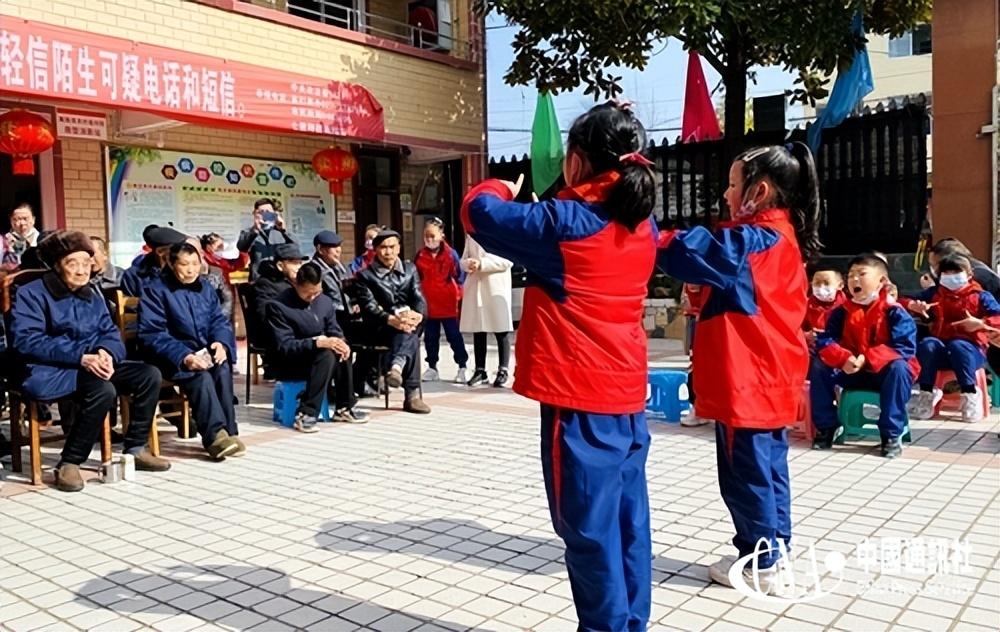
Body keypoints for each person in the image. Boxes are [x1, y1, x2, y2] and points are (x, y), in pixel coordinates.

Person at [461, 101, 658, 630]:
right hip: (624, 395)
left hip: (580, 399)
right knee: (627, 524)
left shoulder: (567, 223)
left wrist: (504, 185)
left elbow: (477, 213)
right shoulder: (642, 224)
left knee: (588, 531)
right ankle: (628, 622)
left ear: (575, 162)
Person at [658, 142, 821, 595]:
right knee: (768, 468)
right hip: (771, 375)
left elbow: (685, 249)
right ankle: (774, 551)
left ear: (759, 191)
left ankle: (761, 560)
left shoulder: (751, 242)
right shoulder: (782, 237)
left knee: (745, 473)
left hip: (747, 377)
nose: (727, 195)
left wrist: (635, 226)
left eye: (733, 185)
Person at [10, 232, 169, 492]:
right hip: (49, 369)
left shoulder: (91, 294)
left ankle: (135, 449)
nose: (83, 270)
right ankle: (70, 462)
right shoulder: (32, 293)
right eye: (74, 263)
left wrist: (107, 351)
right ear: (57, 264)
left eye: (87, 262)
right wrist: (82, 356)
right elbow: (28, 341)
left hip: (90, 362)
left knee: (148, 374)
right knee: (102, 389)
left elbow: (109, 332)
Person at [139, 242, 244, 459]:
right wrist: (184, 356)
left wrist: (220, 343)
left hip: (201, 351)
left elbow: (218, 320)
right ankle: (215, 437)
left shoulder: (204, 287)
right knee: (201, 377)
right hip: (169, 356)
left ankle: (229, 432)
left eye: (195, 264)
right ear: (170, 263)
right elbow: (152, 333)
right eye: (184, 264)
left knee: (222, 367)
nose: (191, 270)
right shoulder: (155, 290)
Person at [812, 254, 919, 452]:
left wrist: (866, 359)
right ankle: (826, 427)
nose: (854, 280)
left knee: (899, 367)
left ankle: (891, 434)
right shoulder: (840, 311)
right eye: (851, 275)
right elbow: (826, 340)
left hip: (882, 373)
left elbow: (904, 347)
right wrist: (842, 357)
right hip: (851, 370)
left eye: (862, 274)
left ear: (882, 281)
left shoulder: (894, 312)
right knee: (820, 365)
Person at [266, 263, 366, 431]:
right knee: (326, 353)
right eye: (307, 293)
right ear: (296, 285)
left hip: (320, 360)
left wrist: (340, 341)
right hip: (290, 361)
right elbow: (284, 346)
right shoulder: (279, 306)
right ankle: (306, 413)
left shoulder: (325, 302)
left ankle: (345, 406)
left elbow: (334, 329)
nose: (312, 297)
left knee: (340, 350)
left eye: (316, 292)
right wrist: (316, 342)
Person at [903, 253, 1000, 421]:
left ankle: (970, 393)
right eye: (946, 274)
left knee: (958, 345)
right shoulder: (934, 294)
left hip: (971, 352)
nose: (951, 278)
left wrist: (981, 322)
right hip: (940, 351)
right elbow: (901, 301)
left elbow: (998, 316)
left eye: (956, 273)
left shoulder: (981, 296)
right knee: (928, 344)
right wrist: (914, 306)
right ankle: (926, 393)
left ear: (969, 275)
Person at [354, 230, 431, 414]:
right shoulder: (365, 276)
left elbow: (418, 297)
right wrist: (391, 319)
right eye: (383, 248)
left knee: (408, 330)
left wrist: (418, 314)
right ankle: (411, 395)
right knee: (409, 335)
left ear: (398, 248)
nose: (388, 252)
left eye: (392, 247)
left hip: (406, 323)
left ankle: (397, 367)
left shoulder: (410, 269)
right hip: (379, 327)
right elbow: (369, 308)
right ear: (375, 250)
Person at [926, 237, 1000, 376]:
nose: (934, 270)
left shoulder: (976, 278)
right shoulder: (967, 271)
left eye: (936, 265)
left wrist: (984, 323)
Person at [415, 217, 468, 383]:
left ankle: (462, 366)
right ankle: (432, 367)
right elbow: (416, 278)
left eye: (432, 236)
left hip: (448, 303)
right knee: (430, 337)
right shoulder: (420, 255)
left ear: (441, 235)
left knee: (454, 336)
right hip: (428, 304)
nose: (429, 240)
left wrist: (458, 296)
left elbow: (459, 276)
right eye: (426, 236)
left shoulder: (451, 254)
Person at [459, 235, 513, 387]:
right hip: (476, 285)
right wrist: (466, 264)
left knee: (501, 329)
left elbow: (507, 260)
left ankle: (503, 369)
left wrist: (482, 263)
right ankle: (480, 370)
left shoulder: (500, 232)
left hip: (496, 286)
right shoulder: (471, 235)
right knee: (478, 328)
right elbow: (463, 258)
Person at [121, 224, 188, 297]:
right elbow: (130, 305)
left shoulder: (184, 270)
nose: (181, 253)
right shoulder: (134, 276)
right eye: (176, 250)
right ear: (160, 252)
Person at [237, 198, 294, 279]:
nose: (265, 215)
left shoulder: (281, 231)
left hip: (280, 279)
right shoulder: (249, 232)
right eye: (261, 212)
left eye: (268, 212)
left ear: (274, 213)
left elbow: (295, 246)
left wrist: (283, 230)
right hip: (259, 280)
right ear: (255, 214)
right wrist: (255, 230)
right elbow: (241, 247)